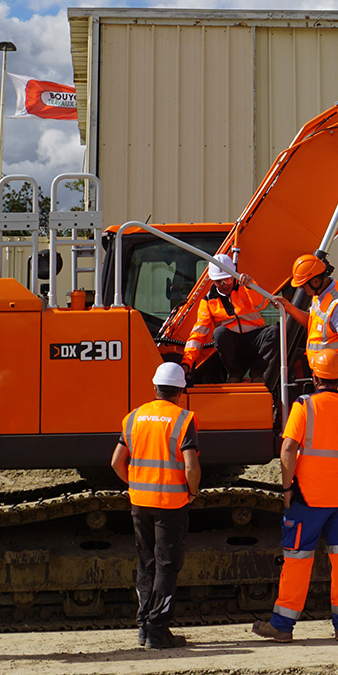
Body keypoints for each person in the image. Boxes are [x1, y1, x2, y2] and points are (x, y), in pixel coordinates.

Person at [252, 349, 338, 643]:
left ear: (315, 377)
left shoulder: (304, 406)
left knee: (297, 559)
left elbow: (287, 449)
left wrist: (286, 488)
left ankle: (282, 626)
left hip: (308, 498)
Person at [112, 361, 203, 649]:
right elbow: (191, 466)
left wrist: (135, 483)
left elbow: (116, 461)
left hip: (140, 502)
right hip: (171, 504)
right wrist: (192, 492)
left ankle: (143, 627)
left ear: (154, 387)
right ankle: (158, 631)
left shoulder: (134, 417)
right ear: (181, 391)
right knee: (167, 566)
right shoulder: (183, 419)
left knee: (146, 563)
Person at [276, 252, 338, 400]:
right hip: (328, 374)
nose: (301, 289)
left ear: (316, 281)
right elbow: (311, 324)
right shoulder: (320, 296)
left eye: (303, 285)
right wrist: (288, 307)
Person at [181, 254, 271, 384]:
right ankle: (234, 373)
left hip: (254, 340)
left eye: (227, 279)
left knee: (274, 331)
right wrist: (187, 362)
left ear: (233, 275)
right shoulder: (208, 301)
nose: (225, 284)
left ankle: (257, 373)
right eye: (219, 281)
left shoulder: (247, 287)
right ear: (213, 281)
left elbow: (262, 304)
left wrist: (250, 286)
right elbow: (198, 334)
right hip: (232, 347)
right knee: (219, 333)